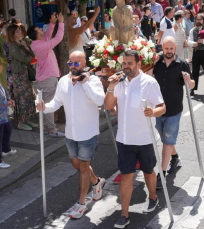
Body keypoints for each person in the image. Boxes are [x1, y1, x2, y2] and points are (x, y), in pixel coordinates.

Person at [36, 51, 106, 219]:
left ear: (84, 63)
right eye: (70, 63)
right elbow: (57, 102)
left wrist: (85, 82)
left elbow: (100, 101)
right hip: (71, 133)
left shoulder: (93, 80)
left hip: (88, 133)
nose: (73, 67)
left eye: (77, 64)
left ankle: (81, 203)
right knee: (76, 165)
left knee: (83, 167)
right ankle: (97, 182)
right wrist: (44, 107)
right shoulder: (63, 81)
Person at [104, 50, 165, 228]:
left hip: (145, 138)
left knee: (148, 171)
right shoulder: (119, 83)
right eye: (124, 63)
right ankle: (124, 214)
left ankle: (153, 196)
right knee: (126, 176)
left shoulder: (149, 82)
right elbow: (109, 106)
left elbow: (162, 106)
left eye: (130, 63)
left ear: (138, 64)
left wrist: (153, 112)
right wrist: (110, 88)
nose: (126, 67)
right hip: (124, 139)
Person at [149, 36, 195, 188]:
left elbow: (192, 85)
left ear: (175, 47)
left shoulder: (181, 64)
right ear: (162, 48)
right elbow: (148, 78)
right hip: (157, 109)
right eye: (166, 49)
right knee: (165, 138)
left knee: (167, 140)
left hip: (174, 110)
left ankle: (161, 174)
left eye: (171, 49)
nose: (169, 52)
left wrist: (188, 79)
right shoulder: (157, 63)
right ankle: (175, 157)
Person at [28, 12, 65, 137]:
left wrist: (53, 23)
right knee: (48, 105)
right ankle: (52, 130)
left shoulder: (37, 44)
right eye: (38, 29)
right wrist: (61, 23)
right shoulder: (40, 46)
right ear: (37, 34)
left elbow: (47, 37)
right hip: (47, 79)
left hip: (43, 78)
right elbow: (57, 39)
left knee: (44, 104)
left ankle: (44, 128)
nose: (40, 28)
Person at [7, 24, 38, 131]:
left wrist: (26, 47)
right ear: (12, 34)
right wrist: (29, 56)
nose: (20, 32)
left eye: (20, 30)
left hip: (26, 73)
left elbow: (33, 56)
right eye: (17, 31)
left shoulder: (22, 43)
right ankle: (20, 121)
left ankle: (27, 118)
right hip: (19, 75)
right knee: (21, 98)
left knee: (29, 96)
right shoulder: (12, 46)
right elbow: (25, 59)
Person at [187, 13, 204, 96]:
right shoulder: (193, 30)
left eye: (200, 20)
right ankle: (193, 89)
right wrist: (194, 43)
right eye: (197, 20)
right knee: (195, 71)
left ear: (203, 21)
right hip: (196, 53)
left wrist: (203, 41)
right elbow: (189, 41)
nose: (198, 21)